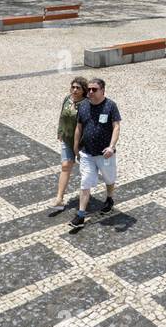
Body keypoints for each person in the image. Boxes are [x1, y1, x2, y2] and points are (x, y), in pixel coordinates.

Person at [69, 78, 121, 229]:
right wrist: (75, 146)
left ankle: (109, 199)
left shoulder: (110, 106)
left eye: (94, 89)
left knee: (109, 178)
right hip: (87, 152)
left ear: (102, 90)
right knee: (85, 182)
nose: (90, 92)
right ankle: (80, 215)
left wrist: (111, 147)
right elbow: (79, 127)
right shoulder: (84, 105)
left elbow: (116, 127)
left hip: (105, 154)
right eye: (89, 89)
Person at [48, 77, 90, 216]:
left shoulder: (86, 104)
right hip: (67, 140)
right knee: (65, 166)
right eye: (73, 87)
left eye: (78, 88)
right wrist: (60, 131)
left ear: (84, 90)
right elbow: (62, 116)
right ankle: (59, 198)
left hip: (83, 143)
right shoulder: (67, 99)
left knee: (86, 171)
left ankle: (86, 197)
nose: (74, 90)